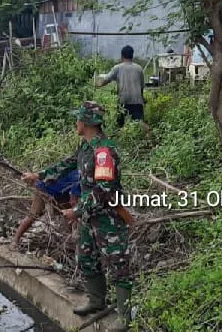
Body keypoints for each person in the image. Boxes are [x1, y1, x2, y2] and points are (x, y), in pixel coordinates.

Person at [61, 101, 133, 327]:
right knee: (86, 258)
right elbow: (67, 164)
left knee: (117, 263)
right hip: (89, 217)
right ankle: (96, 301)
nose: (76, 123)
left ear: (86, 122)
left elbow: (103, 190)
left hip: (107, 217)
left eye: (78, 119)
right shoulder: (85, 147)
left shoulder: (104, 152)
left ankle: (124, 317)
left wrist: (76, 211)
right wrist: (40, 175)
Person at [12, 158, 81, 251]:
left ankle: (69, 245)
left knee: (69, 218)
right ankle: (15, 241)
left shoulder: (81, 171)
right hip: (45, 188)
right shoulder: (79, 174)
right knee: (33, 214)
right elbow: (73, 199)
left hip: (62, 193)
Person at [97, 45, 146, 128]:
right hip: (137, 101)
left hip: (123, 101)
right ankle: (148, 134)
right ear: (132, 55)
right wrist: (142, 98)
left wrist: (98, 85)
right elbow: (141, 86)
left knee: (120, 125)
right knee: (139, 123)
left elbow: (106, 79)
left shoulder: (118, 68)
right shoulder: (139, 68)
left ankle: (121, 134)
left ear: (122, 56)